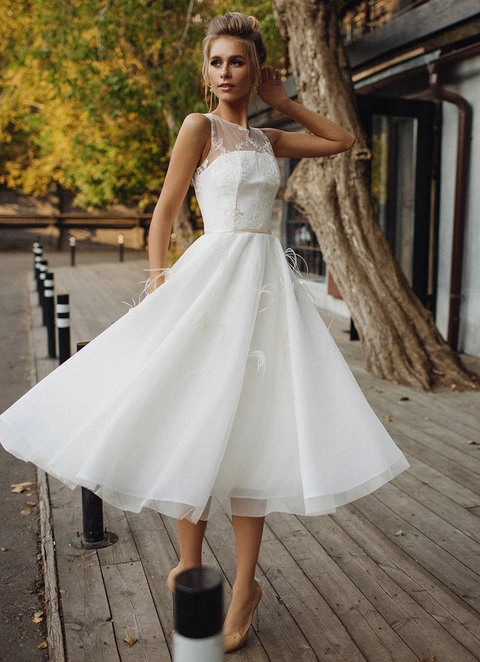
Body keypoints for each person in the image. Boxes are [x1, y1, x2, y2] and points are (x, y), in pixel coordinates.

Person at [0, 11, 410, 655]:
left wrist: (284, 104)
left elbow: (339, 141)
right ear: (205, 71)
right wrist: (160, 281)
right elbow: (165, 209)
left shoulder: (270, 139)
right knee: (190, 417)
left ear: (256, 69)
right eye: (216, 62)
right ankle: (191, 571)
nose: (226, 73)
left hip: (265, 290)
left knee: (255, 427)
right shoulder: (199, 128)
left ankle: (246, 586)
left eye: (238, 62)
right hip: (208, 281)